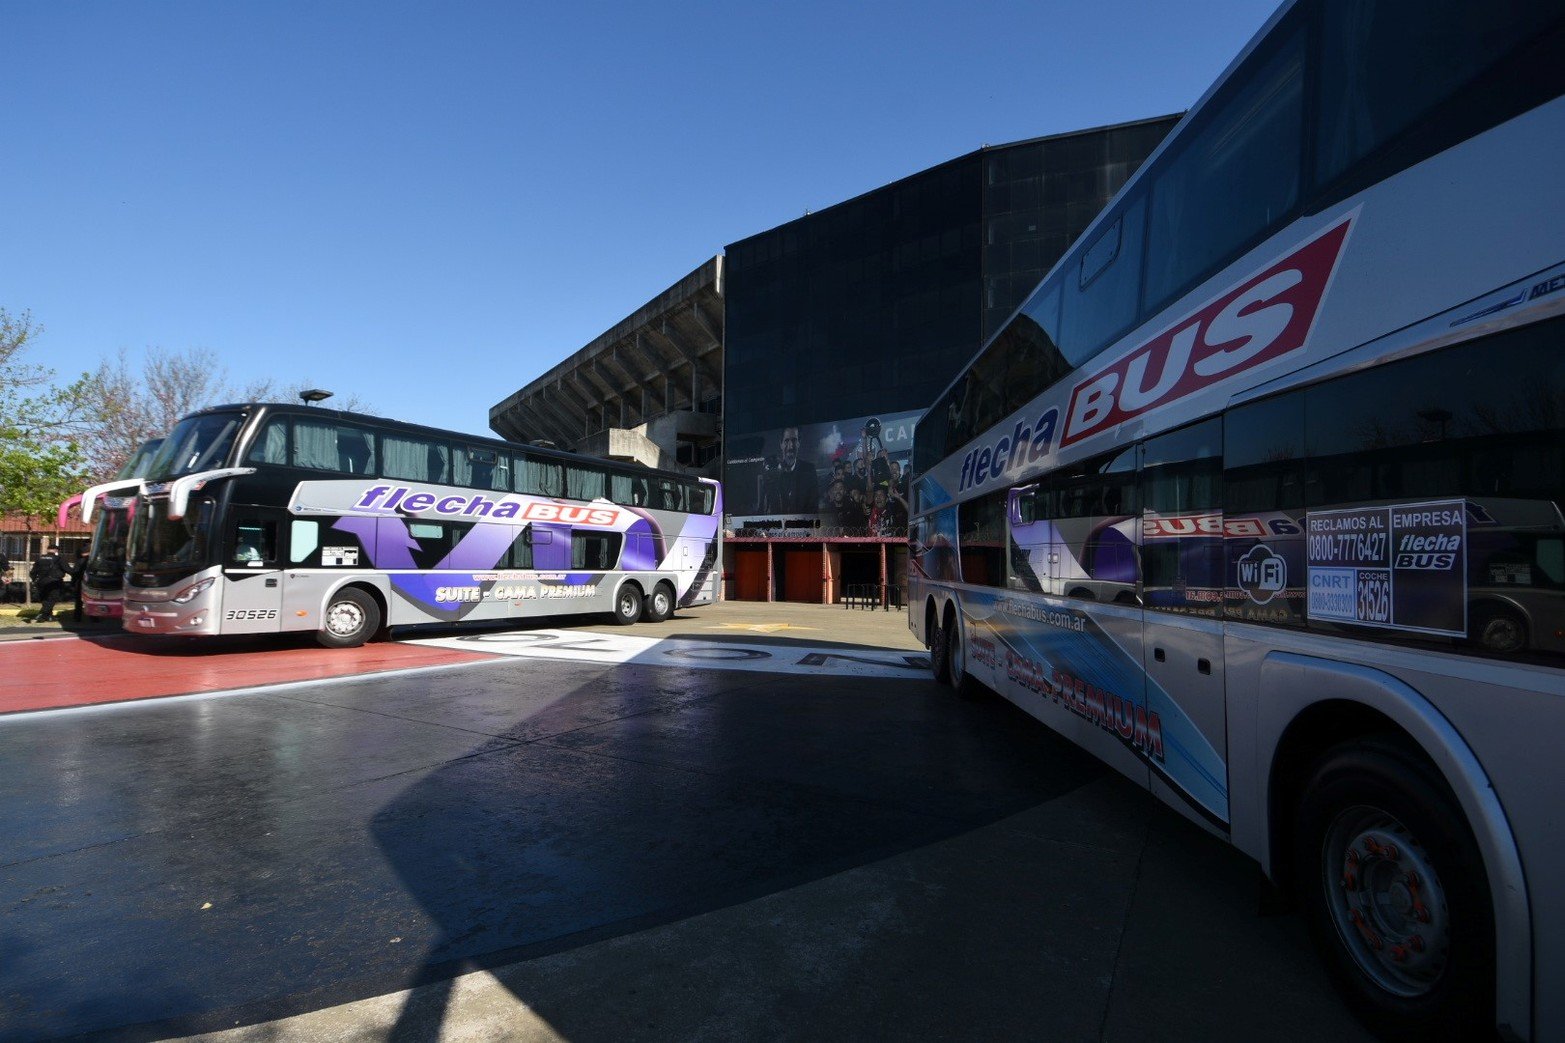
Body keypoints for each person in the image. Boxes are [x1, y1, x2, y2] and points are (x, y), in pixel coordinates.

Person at [758, 426, 819, 514]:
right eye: (786, 441)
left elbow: (813, 507)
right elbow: (762, 509)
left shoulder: (809, 470)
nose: (791, 446)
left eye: (794, 440)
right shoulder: (770, 474)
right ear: (781, 444)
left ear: (799, 443)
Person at [29, 545, 66, 623]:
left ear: (47, 550)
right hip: (54, 582)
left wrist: (35, 580)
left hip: (41, 582)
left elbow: (33, 572)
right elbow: (68, 569)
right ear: (56, 550)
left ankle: (49, 617)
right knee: (53, 599)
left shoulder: (40, 558)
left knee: (46, 599)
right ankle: (40, 615)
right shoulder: (59, 559)